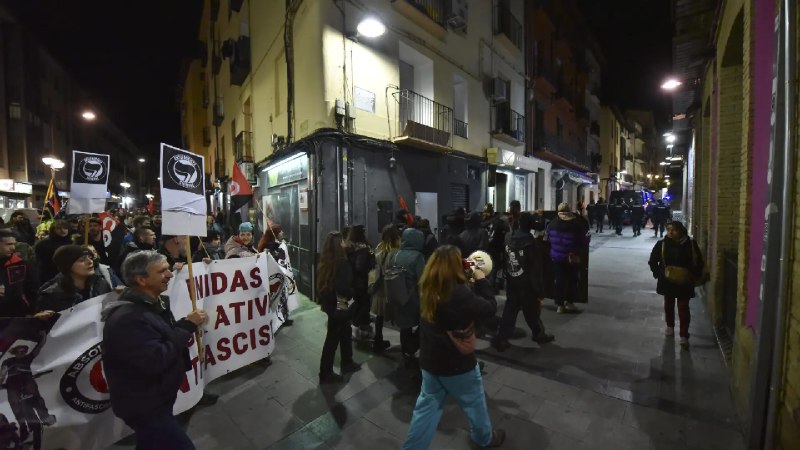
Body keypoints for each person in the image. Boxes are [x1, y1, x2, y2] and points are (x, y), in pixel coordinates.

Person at [101, 250, 206, 449]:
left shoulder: (154, 304)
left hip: (156, 397)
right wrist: (186, 327)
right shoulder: (127, 319)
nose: (170, 274)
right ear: (141, 279)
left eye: (168, 269)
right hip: (145, 405)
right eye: (162, 271)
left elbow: (163, 337)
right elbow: (155, 359)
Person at [403, 245, 504, 449]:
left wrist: (466, 273)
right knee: (474, 402)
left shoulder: (427, 286)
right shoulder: (457, 294)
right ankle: (484, 438)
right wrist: (481, 279)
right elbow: (489, 308)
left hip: (431, 361)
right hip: (456, 364)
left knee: (426, 409)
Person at [493, 212, 554, 351]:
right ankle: (539, 334)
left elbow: (505, 259)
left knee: (510, 310)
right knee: (532, 312)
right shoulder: (530, 242)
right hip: (527, 285)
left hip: (512, 280)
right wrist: (539, 290)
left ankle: (502, 338)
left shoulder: (508, 237)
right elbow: (535, 269)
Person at [648, 222, 704, 348]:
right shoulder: (662, 244)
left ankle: (684, 334)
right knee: (669, 304)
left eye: (674, 230)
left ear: (681, 231)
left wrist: (693, 274)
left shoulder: (691, 244)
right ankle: (670, 326)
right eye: (668, 230)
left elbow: (698, 261)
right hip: (667, 280)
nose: (670, 232)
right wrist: (659, 274)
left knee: (683, 307)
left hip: (684, 281)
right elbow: (652, 261)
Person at [316, 231, 361, 384]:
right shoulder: (342, 263)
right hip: (340, 303)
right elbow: (343, 287)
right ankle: (325, 372)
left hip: (330, 304)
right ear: (338, 244)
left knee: (345, 331)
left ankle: (347, 361)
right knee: (333, 338)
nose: (344, 243)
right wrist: (353, 293)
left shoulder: (326, 261)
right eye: (342, 241)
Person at [35, 245, 111, 316]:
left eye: (90, 257)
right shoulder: (51, 296)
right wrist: (41, 319)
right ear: (67, 265)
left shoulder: (101, 284)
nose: (90, 262)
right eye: (81, 260)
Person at [546, 203, 590, 314]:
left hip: (556, 257)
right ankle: (569, 303)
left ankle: (560, 305)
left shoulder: (552, 224)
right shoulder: (576, 225)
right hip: (571, 258)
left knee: (559, 281)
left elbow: (547, 238)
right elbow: (582, 242)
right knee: (572, 281)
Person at [393, 228, 425, 369]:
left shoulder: (397, 255)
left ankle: (405, 353)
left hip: (400, 297)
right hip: (414, 298)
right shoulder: (417, 257)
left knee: (404, 327)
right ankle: (413, 350)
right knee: (421, 324)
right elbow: (423, 279)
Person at [370, 224, 400, 353]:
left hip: (379, 287)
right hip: (390, 288)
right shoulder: (395, 252)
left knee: (379, 317)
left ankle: (378, 341)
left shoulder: (379, 249)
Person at [345, 225, 374, 340]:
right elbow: (360, 267)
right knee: (364, 303)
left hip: (354, 281)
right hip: (362, 281)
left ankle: (360, 326)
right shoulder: (363, 248)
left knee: (360, 302)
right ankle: (357, 324)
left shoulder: (349, 246)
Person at [0, 229, 37, 317]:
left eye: (13, 244)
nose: (13, 247)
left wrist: (32, 311)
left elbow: (33, 289)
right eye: (8, 244)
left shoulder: (22, 264)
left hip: (19, 314)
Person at [33, 220, 72, 284]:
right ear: (53, 230)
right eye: (59, 228)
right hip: (49, 275)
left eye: (65, 228)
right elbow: (40, 262)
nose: (62, 230)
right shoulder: (44, 244)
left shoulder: (71, 242)